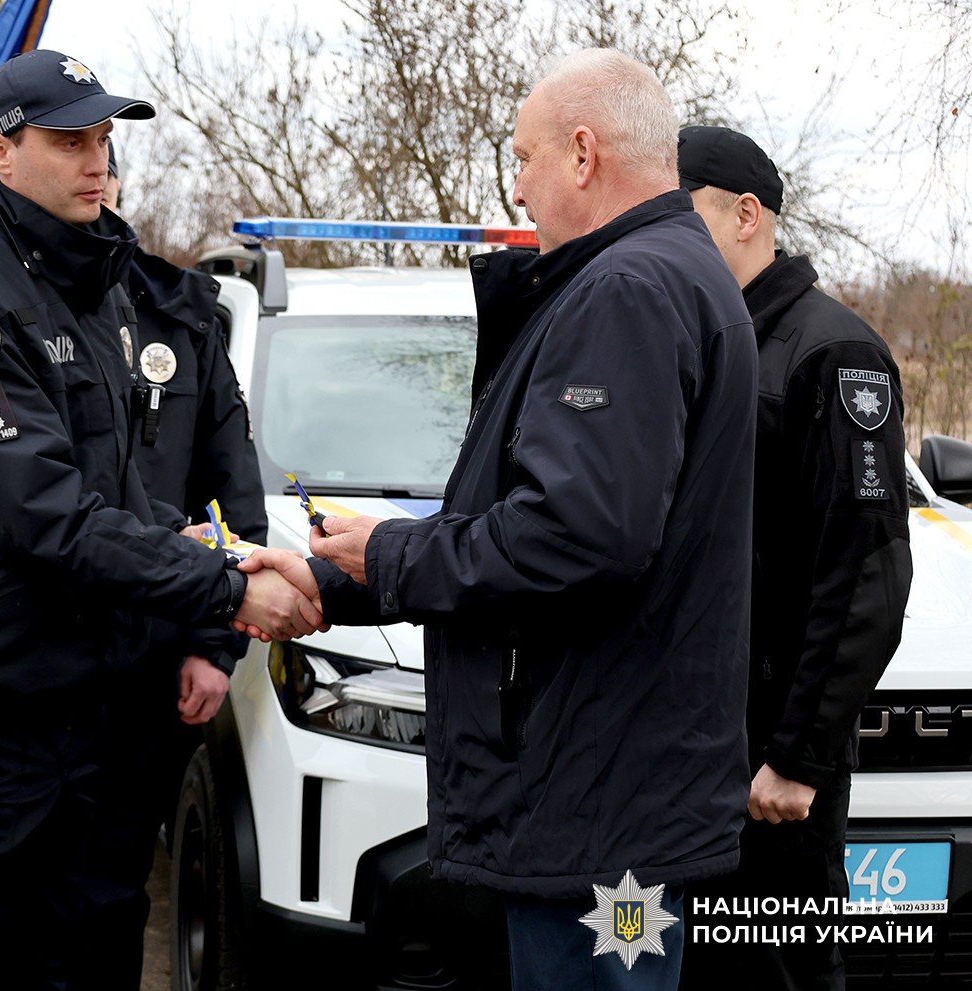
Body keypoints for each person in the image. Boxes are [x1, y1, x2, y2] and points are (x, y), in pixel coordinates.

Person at [238, 49, 758, 991]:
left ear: (584, 154)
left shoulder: (628, 291)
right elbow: (531, 516)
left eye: (523, 159)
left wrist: (390, 553)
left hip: (598, 811)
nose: (516, 188)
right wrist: (342, 575)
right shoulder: (663, 275)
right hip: (610, 792)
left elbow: (575, 537)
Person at [0, 49, 320, 990]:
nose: (97, 160)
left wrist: (204, 604)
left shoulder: (109, 291)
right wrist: (226, 587)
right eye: (70, 141)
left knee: (93, 950)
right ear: (0, 152)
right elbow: (44, 513)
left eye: (104, 139)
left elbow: (145, 488)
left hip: (104, 705)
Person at [675, 125, 912, 990]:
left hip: (771, 768)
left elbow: (867, 574)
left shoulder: (833, 354)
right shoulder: (698, 338)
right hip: (689, 752)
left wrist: (798, 756)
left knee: (782, 974)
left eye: (683, 215)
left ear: (747, 215)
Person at [90, 141, 270, 987]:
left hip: (143, 669)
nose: (90, 179)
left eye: (101, 161)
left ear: (116, 184)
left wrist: (213, 643)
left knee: (108, 899)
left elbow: (234, 498)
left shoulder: (183, 316)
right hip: (22, 670)